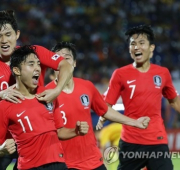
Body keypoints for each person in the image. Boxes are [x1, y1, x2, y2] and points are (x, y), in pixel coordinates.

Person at [0, 10, 73, 170]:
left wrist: (56, 90)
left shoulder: (34, 54)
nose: (4, 40)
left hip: (34, 136)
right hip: (6, 137)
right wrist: (0, 96)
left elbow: (66, 65)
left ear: (17, 34)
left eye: (8, 34)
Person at [46, 41, 150, 170]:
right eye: (58, 59)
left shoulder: (87, 87)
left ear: (74, 63)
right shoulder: (46, 94)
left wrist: (135, 122)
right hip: (65, 164)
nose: (63, 62)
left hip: (94, 161)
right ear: (52, 65)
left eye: (67, 58)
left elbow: (105, 110)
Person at [0, 45, 89, 170]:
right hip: (29, 167)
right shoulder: (4, 107)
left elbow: (59, 131)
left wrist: (76, 131)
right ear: (17, 70)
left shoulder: (48, 95)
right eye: (31, 64)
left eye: (38, 64)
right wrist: (2, 149)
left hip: (58, 164)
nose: (37, 68)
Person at [98, 25, 180, 170]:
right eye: (132, 44)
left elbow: (174, 101)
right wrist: (102, 117)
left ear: (151, 47)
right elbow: (106, 105)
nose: (136, 47)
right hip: (131, 142)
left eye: (141, 43)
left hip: (157, 140)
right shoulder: (120, 74)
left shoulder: (163, 73)